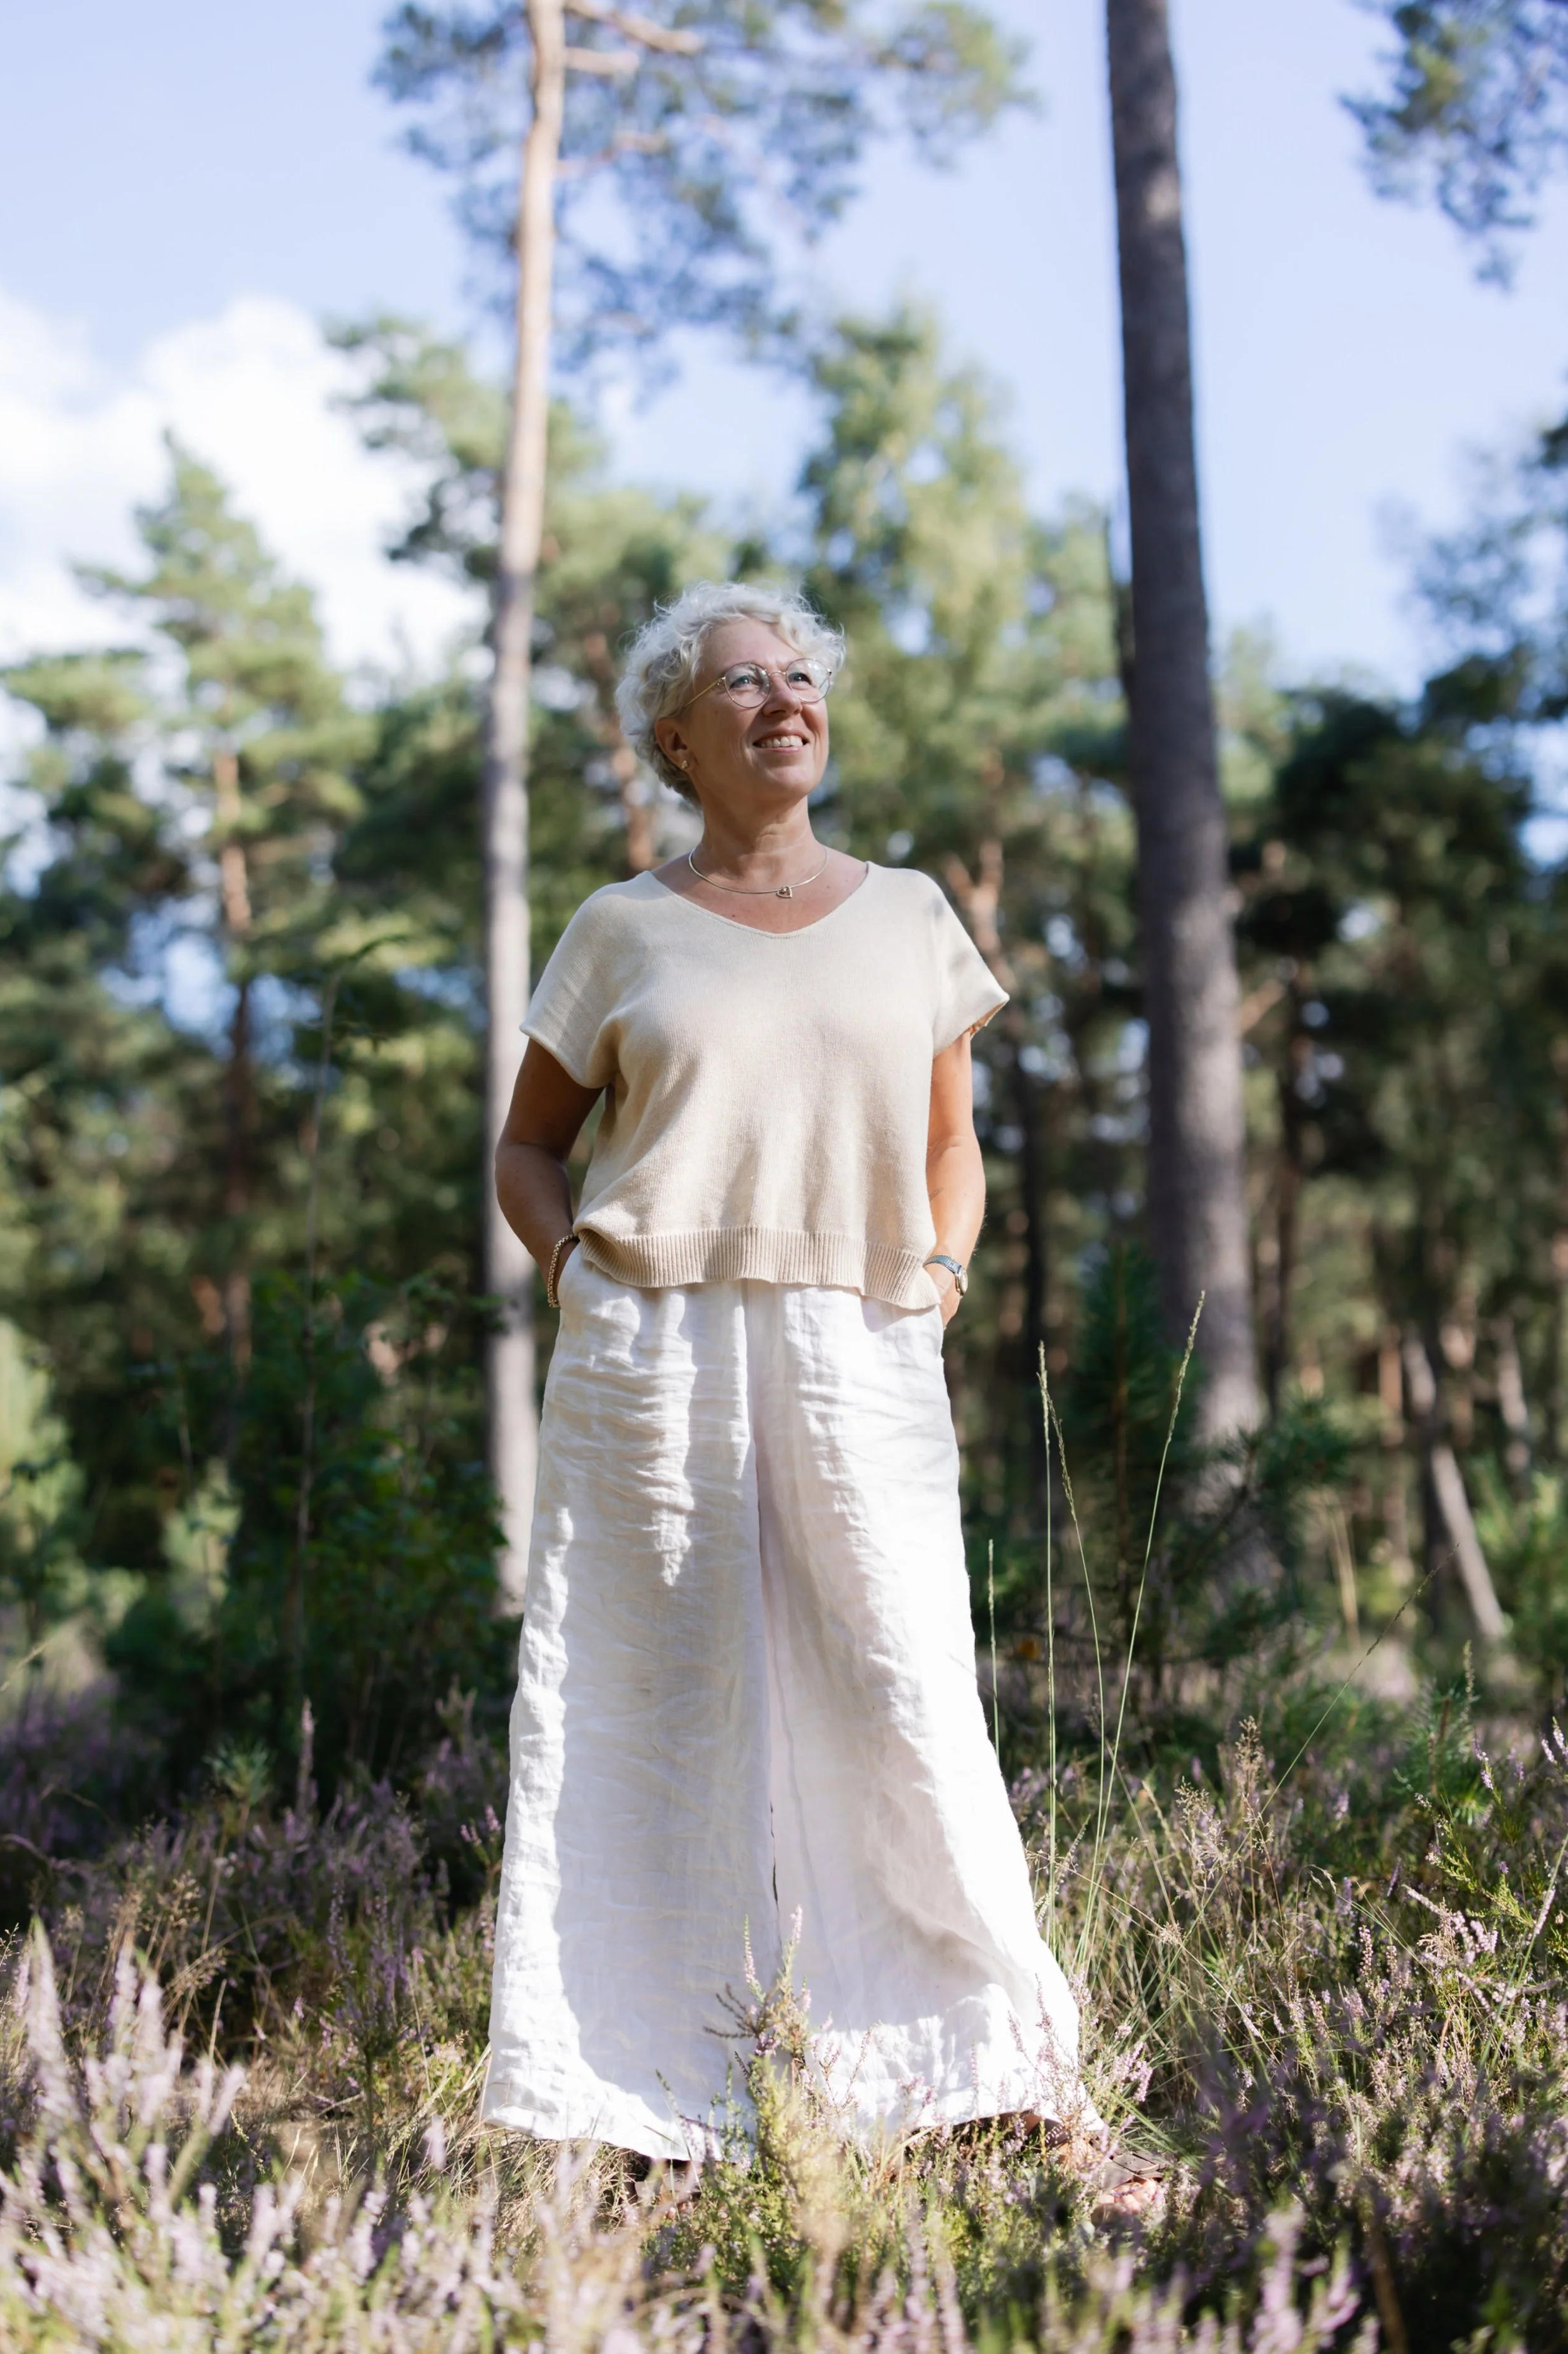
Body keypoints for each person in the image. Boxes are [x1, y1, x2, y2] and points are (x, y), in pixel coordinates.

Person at [481, 578, 1095, 2167]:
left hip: (859, 1338)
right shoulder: (618, 930)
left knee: (900, 1688)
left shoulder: (907, 916)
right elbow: (528, 1151)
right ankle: (628, 2103)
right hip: (648, 1351)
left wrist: (940, 1283)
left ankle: (981, 2077)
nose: (784, 699)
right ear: (674, 739)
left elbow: (951, 1144)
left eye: (800, 675)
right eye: (741, 683)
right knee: (643, 1703)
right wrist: (575, 1281)